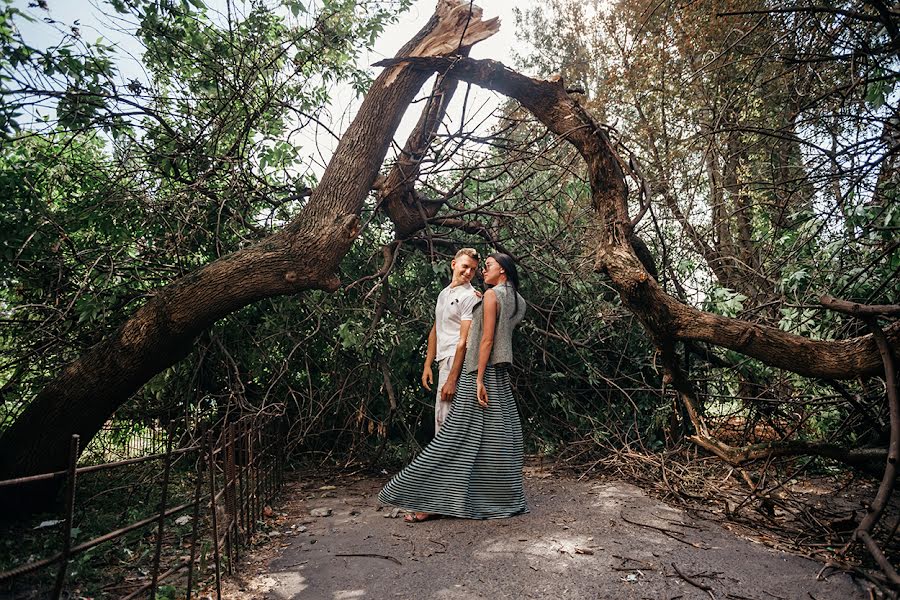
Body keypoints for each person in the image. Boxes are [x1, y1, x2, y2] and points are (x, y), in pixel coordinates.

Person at [379, 253, 527, 522]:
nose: (482, 271)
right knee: (496, 439)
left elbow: (485, 340)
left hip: (477, 371)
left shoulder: (490, 296)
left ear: (503, 271)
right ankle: (483, 497)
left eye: (488, 266)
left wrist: (479, 378)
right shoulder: (519, 301)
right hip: (501, 375)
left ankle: (430, 501)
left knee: (454, 437)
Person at [422, 248, 480, 434]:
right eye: (465, 267)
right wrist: (427, 364)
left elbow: (465, 341)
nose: (469, 272)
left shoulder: (470, 296)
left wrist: (452, 379)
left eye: (473, 269)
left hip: (456, 361)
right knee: (442, 416)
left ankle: (447, 462)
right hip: (443, 360)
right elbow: (436, 329)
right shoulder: (444, 294)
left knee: (447, 419)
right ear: (454, 264)